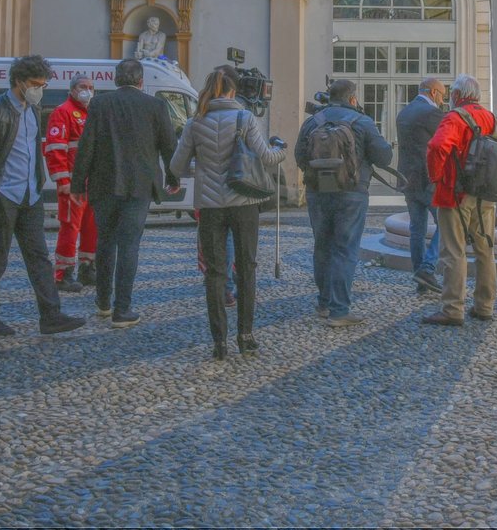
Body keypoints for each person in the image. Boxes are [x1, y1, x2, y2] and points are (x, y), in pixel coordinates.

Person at [0, 54, 85, 338]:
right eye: (35, 84)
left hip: (30, 196)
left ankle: (51, 315)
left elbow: (33, 152)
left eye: (43, 85)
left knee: (39, 257)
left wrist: (37, 184)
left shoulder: (32, 110)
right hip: (3, 196)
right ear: (19, 81)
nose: (39, 89)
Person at [170, 69, 286, 360]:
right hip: (243, 203)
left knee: (215, 273)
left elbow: (177, 166)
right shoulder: (245, 118)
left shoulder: (195, 123)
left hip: (210, 206)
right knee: (246, 268)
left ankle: (218, 341)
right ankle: (245, 335)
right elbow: (268, 157)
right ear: (233, 92)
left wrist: (204, 170)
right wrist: (280, 149)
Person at [70, 57, 180, 328]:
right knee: (129, 245)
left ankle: (103, 302)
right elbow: (169, 145)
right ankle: (123, 309)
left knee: (105, 242)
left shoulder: (100, 104)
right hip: (139, 186)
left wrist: (77, 184)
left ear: (116, 80)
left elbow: (87, 146)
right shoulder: (155, 105)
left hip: (103, 185)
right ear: (141, 81)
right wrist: (173, 176)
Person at [422, 74, 497, 327]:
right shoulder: (492, 119)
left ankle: (453, 309)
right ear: (476, 96)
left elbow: (437, 146)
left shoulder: (455, 117)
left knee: (453, 251)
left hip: (454, 194)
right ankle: (484, 306)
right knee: (485, 251)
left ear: (456, 95)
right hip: (485, 197)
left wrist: (436, 176)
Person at [295, 78, 391, 327]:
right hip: (351, 192)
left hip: (317, 191)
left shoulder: (312, 121)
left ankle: (324, 302)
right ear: (352, 98)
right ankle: (339, 310)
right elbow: (384, 157)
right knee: (345, 248)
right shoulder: (362, 121)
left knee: (322, 245)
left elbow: (299, 156)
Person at [44, 76, 98, 292]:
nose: (88, 91)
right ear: (73, 89)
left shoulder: (92, 112)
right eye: (83, 87)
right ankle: (63, 274)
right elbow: (55, 148)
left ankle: (87, 268)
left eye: (91, 88)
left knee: (91, 227)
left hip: (91, 183)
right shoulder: (63, 111)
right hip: (73, 183)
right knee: (71, 227)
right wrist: (63, 181)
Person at [395, 77, 446, 296]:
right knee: (446, 223)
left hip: (407, 178)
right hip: (428, 179)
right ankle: (427, 268)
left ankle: (420, 278)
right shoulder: (431, 114)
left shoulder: (404, 112)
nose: (443, 101)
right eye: (442, 95)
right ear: (434, 93)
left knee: (417, 229)